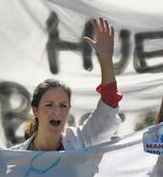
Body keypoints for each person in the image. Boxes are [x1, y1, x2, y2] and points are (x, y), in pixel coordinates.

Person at [11, 18, 122, 151]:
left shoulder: (81, 142)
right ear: (35, 110)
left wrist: (105, 58)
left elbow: (109, 103)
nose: (57, 111)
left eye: (63, 106)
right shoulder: (14, 158)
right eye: (49, 105)